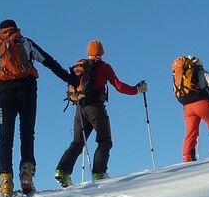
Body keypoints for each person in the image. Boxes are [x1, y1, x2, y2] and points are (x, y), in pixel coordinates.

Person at [0, 19, 74, 197]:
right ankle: (26, 175)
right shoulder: (25, 42)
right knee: (27, 133)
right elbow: (48, 61)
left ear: (0, 30)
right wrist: (70, 79)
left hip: (5, 94)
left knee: (6, 137)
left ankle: (6, 182)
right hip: (27, 91)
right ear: (15, 28)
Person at [54, 40, 146, 187]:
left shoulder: (80, 67)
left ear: (88, 52)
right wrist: (136, 90)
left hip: (79, 108)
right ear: (102, 51)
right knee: (104, 140)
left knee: (77, 142)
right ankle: (99, 173)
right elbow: (118, 86)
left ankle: (62, 171)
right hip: (95, 108)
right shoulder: (104, 67)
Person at [172, 55, 209, 162]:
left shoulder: (181, 76)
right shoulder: (202, 72)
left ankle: (187, 157)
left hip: (187, 107)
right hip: (203, 104)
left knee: (191, 133)